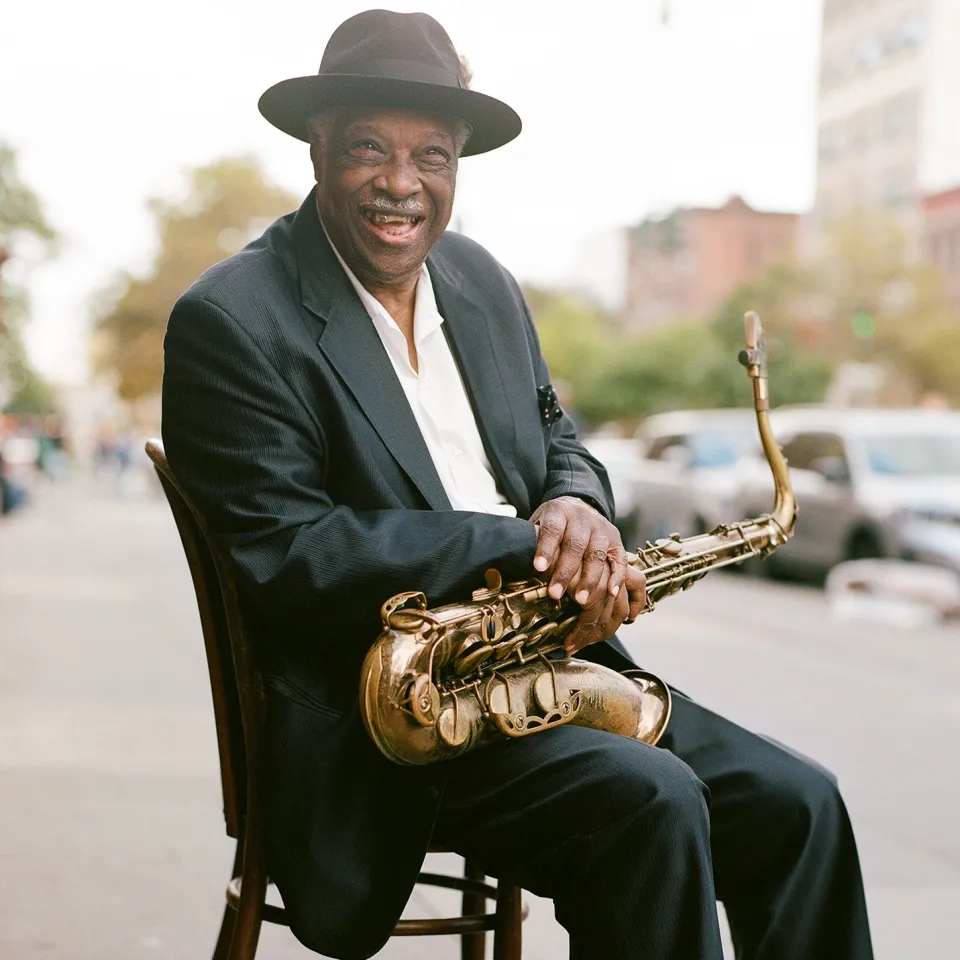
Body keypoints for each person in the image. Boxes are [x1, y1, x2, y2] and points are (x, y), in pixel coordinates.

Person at [162, 11, 874, 960]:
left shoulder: (481, 279)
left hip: (546, 670)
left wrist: (575, 504)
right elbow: (291, 554)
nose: (402, 184)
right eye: (370, 147)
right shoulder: (231, 320)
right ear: (318, 147)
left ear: (458, 166)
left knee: (801, 802)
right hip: (387, 720)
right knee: (652, 805)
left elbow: (557, 439)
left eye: (434, 156)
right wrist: (518, 547)